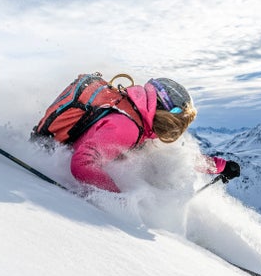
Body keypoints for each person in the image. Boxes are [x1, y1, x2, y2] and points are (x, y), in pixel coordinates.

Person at [37, 75, 240, 193]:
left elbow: (172, 158)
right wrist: (119, 199)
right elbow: (82, 164)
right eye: (177, 122)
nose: (176, 131)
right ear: (163, 112)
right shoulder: (126, 126)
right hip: (51, 161)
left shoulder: (142, 120)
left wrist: (220, 166)